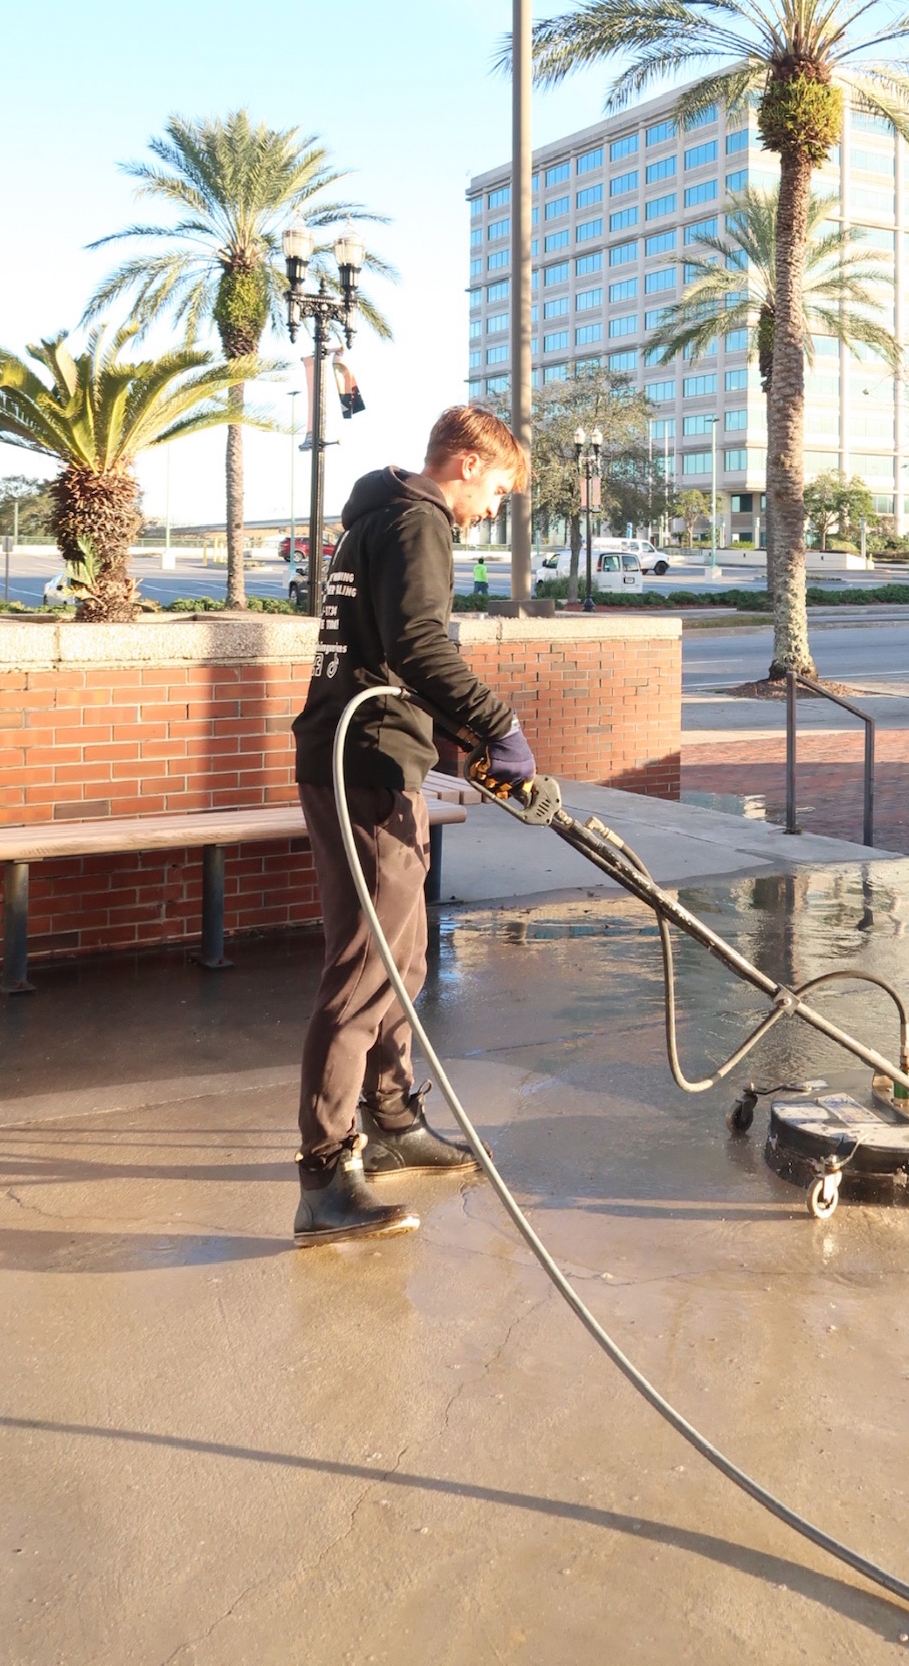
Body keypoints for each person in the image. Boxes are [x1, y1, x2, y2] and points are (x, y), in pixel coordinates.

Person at [290, 404, 537, 1245]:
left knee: (401, 954)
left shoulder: (380, 516)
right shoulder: (419, 520)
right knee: (367, 967)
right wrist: (500, 724)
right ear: (467, 463)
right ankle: (324, 1176)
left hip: (364, 756)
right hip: (365, 766)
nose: (492, 509)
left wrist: (462, 739)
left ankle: (391, 1118)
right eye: (497, 489)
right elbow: (424, 647)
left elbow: (394, 655)